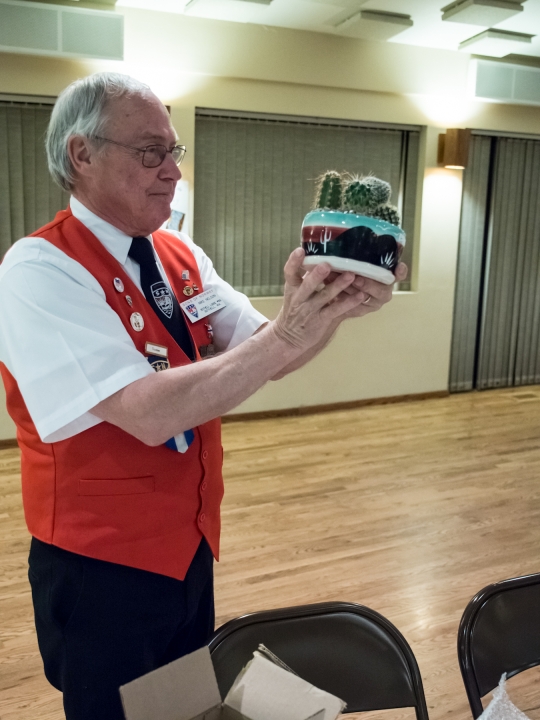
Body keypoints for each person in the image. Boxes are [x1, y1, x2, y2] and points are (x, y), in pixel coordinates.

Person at [0, 72, 406, 720]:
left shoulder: (178, 255)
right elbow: (147, 411)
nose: (171, 172)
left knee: (179, 706)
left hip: (186, 544)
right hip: (98, 565)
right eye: (149, 152)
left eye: (174, 153)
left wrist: (333, 306)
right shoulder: (40, 269)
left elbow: (267, 353)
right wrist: (292, 329)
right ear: (82, 154)